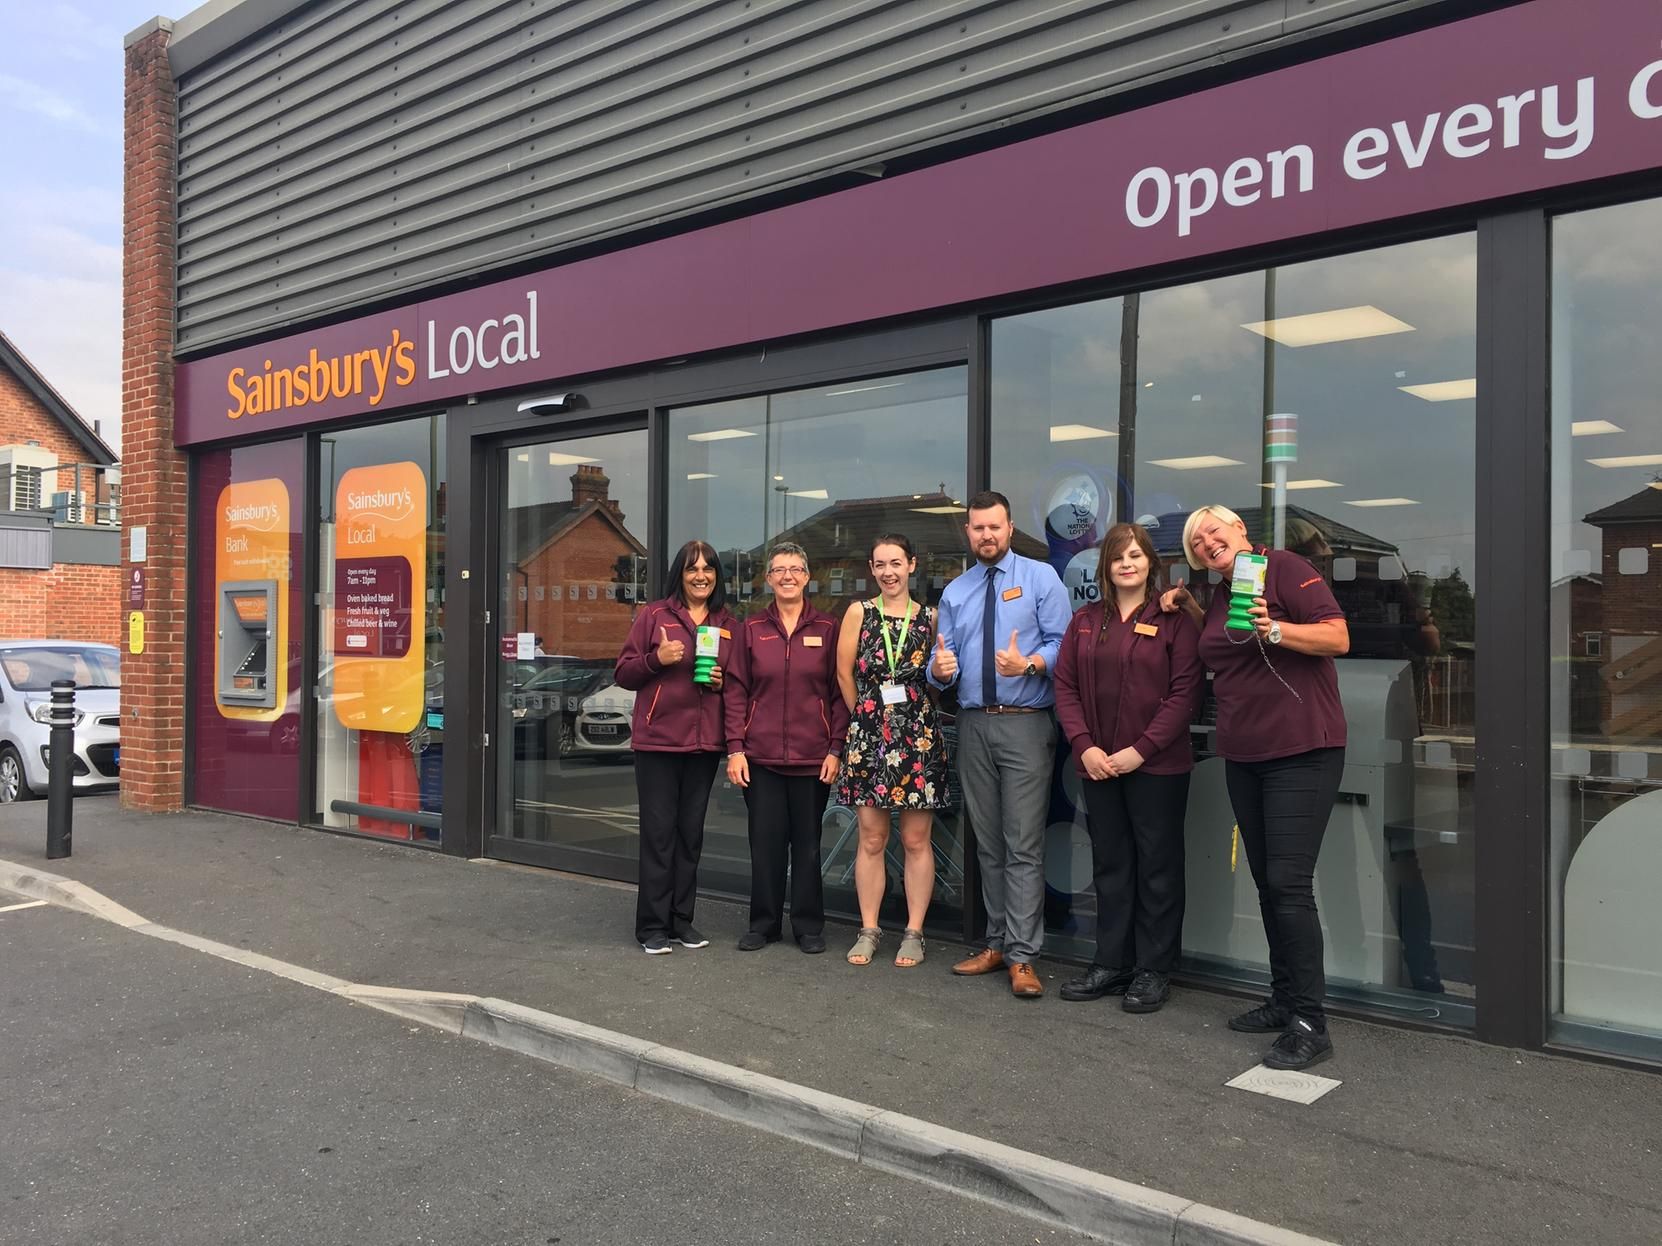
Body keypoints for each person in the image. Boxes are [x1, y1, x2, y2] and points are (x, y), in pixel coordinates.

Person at [1162, 504, 1350, 1069]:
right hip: (1244, 753)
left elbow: (1337, 636)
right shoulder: (1223, 593)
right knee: (1269, 883)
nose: (1207, 543)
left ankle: (1309, 1022)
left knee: (1290, 885)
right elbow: (1230, 648)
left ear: (1240, 530)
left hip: (1302, 749)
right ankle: (1283, 998)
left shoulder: (1284, 568)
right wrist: (1193, 608)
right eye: (1198, 541)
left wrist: (1279, 629)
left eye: (1213, 531)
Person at [1053, 522, 1202, 1013]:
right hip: (1098, 766)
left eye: (1136, 555)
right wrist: (1084, 747)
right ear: (1106, 566)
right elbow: (1066, 688)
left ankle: (1153, 970)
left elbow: (1185, 695)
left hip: (1156, 767)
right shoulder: (1084, 621)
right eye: (1119, 556)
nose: (1127, 563)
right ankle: (1112, 962)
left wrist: (1141, 749)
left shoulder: (1173, 620)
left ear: (1150, 564)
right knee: (1111, 866)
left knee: (1157, 868)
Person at [929, 490, 1071, 998]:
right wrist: (938, 671)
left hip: (1026, 724)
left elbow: (1064, 645)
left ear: (1009, 529)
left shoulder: (1041, 579)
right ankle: (995, 943)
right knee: (986, 843)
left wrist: (1029, 664)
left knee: (1023, 845)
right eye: (977, 528)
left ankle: (1024, 956)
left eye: (994, 527)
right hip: (973, 726)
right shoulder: (956, 591)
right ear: (967, 532)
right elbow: (939, 663)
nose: (986, 535)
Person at [724, 542, 848, 954]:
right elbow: (737, 691)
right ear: (769, 579)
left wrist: (835, 748)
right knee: (765, 843)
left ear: (808, 576)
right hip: (759, 759)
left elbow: (838, 694)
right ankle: (764, 923)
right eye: (780, 570)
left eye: (796, 569)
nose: (788, 576)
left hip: (814, 758)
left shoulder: (829, 628)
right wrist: (736, 748)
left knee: (809, 845)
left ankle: (809, 925)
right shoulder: (752, 629)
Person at [613, 541, 735, 955]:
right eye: (691, 569)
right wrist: (656, 658)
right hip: (659, 744)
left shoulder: (726, 622)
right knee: (659, 836)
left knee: (690, 837)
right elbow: (624, 673)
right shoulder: (655, 616)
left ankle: (682, 921)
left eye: (708, 568)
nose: (700, 575)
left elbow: (735, 685)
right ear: (679, 575)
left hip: (703, 746)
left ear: (717, 575)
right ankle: (651, 926)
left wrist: (720, 683)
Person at [835, 533, 949, 968]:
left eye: (896, 563)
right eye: (880, 564)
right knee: (872, 838)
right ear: (872, 569)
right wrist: (864, 718)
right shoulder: (858, 613)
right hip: (869, 736)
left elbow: (939, 678)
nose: (888, 572)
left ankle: (914, 933)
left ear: (912, 565)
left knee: (917, 840)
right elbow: (844, 673)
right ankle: (869, 929)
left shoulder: (930, 619)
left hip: (918, 737)